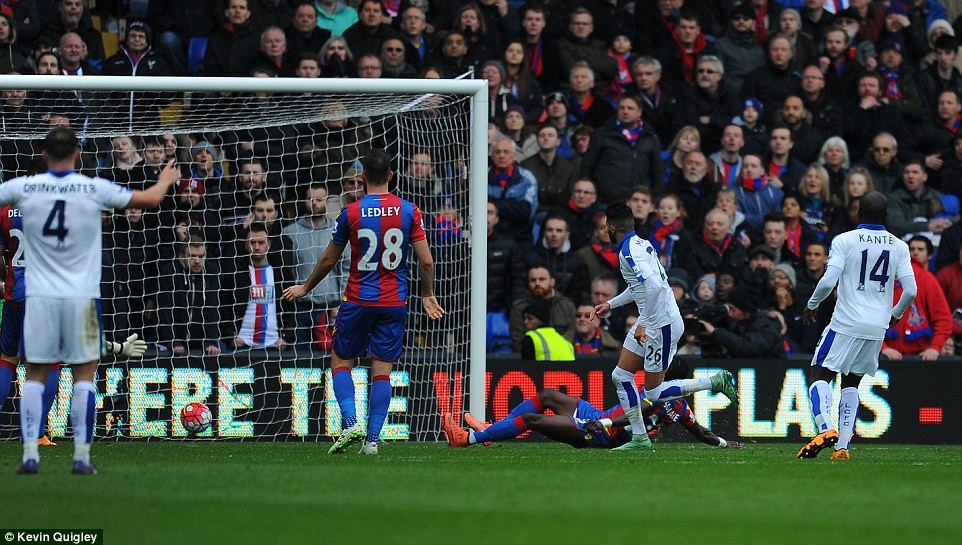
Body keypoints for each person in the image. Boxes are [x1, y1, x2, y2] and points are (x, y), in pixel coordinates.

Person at [0, 126, 179, 474]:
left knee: (34, 373)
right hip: (82, 296)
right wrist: (166, 179)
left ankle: (29, 455)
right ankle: (81, 457)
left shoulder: (24, 188)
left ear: (44, 155)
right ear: (78, 153)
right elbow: (150, 200)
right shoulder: (93, 187)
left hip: (39, 296)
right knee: (84, 375)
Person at [283, 149, 444, 456]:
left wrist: (306, 286)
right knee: (382, 371)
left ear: (362, 178)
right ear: (391, 176)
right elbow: (426, 261)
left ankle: (350, 422)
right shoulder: (410, 210)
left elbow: (330, 258)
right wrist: (426, 294)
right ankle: (371, 441)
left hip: (358, 299)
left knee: (341, 360)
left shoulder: (351, 212)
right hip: (394, 301)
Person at [593, 203, 738, 451]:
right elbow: (642, 287)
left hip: (660, 324)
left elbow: (656, 288)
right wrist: (611, 304)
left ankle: (714, 381)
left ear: (611, 227)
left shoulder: (630, 251)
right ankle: (640, 437)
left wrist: (644, 324)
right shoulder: (640, 243)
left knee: (655, 393)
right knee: (621, 376)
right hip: (656, 319)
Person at [798, 191, 917, 461]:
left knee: (820, 375)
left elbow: (828, 281)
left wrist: (812, 305)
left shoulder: (845, 240)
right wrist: (894, 315)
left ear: (858, 212)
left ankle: (825, 428)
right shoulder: (899, 246)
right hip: (876, 326)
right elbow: (910, 289)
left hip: (846, 322)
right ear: (885, 215)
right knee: (851, 382)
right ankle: (842, 447)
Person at [442, 379, 743, 450]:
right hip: (596, 414)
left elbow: (701, 433)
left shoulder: (671, 405)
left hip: (600, 433)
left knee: (533, 421)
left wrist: (726, 444)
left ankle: (468, 438)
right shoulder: (651, 388)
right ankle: (494, 429)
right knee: (547, 395)